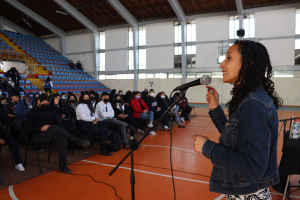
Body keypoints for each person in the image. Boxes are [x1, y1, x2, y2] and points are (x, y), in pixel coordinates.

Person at [193, 40, 282, 199]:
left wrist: (208, 148)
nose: (222, 64)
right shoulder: (251, 99)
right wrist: (215, 109)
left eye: (228, 58)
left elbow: (254, 165)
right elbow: (235, 139)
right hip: (245, 191)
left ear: (249, 64)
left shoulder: (253, 103)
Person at [25, 94, 90, 174]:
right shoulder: (31, 112)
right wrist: (40, 129)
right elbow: (27, 129)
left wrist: (57, 132)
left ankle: (62, 165)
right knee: (54, 128)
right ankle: (76, 140)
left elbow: (57, 122)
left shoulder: (49, 109)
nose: (46, 105)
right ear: (38, 101)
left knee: (63, 140)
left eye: (47, 103)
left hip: (51, 133)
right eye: (44, 104)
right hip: (39, 136)